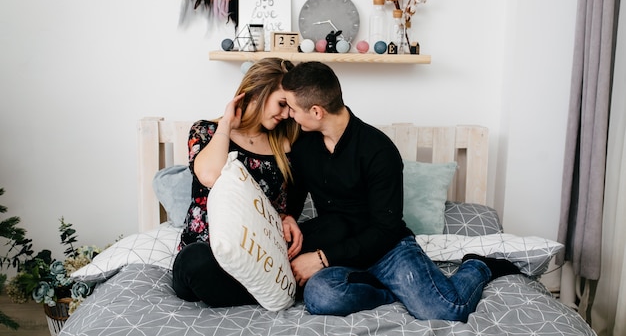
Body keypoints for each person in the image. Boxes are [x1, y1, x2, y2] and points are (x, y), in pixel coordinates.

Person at [282, 61, 520, 322]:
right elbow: (293, 199)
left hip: (387, 248)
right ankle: (390, 290)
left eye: (292, 108)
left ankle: (479, 265)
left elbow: (385, 229)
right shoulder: (303, 146)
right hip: (341, 247)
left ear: (316, 111)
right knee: (320, 296)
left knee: (446, 310)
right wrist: (289, 216)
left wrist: (321, 258)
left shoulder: (378, 151)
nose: (289, 115)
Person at [172, 57, 306, 308]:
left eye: (290, 107)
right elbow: (211, 176)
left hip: (257, 260)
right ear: (257, 92)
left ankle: (264, 292)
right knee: (193, 261)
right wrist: (226, 124)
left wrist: (288, 218)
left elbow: (289, 205)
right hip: (208, 255)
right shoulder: (206, 131)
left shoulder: (286, 146)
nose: (287, 114)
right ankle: (267, 296)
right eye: (282, 104)